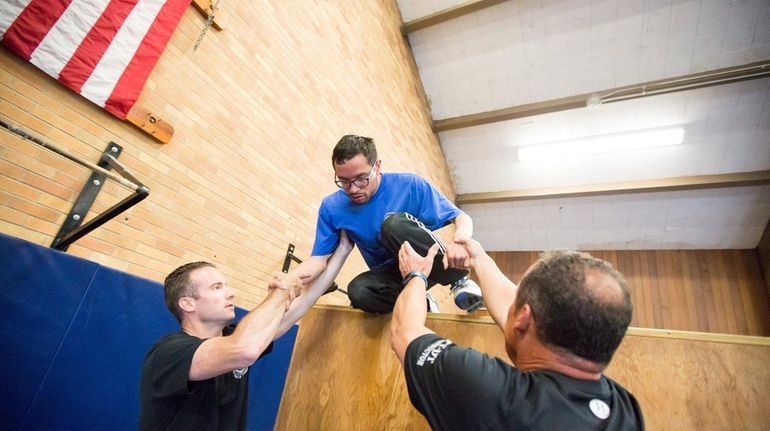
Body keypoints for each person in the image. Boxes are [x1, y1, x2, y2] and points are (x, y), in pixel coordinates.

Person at [391, 240, 645, 430]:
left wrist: (416, 275)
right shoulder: (625, 412)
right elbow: (518, 319)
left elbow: (405, 331)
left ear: (523, 318)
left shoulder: (494, 394)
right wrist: (480, 259)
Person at [139, 233, 352, 431]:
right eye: (217, 288)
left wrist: (343, 249)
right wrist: (282, 289)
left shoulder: (233, 335)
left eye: (226, 286)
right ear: (187, 303)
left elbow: (304, 302)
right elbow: (244, 350)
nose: (231, 293)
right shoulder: (169, 353)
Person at [270, 134, 483, 313]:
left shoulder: (409, 185)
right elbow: (318, 261)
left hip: (427, 262)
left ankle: (459, 281)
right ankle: (422, 303)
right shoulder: (332, 207)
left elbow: (461, 217)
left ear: (377, 166)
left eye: (361, 178)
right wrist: (290, 279)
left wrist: (460, 241)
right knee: (358, 291)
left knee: (391, 224)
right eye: (344, 181)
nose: (353, 188)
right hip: (390, 276)